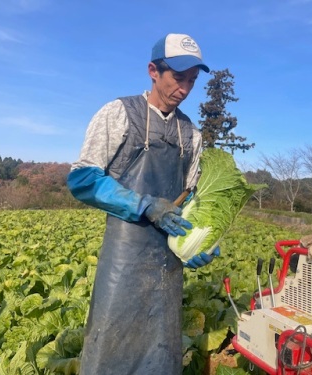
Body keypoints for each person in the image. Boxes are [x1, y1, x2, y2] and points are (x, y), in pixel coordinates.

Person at [67, 33, 219, 375]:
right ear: (153, 70)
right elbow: (82, 179)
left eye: (192, 81)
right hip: (124, 261)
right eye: (178, 78)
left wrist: (201, 242)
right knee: (110, 347)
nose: (185, 88)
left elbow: (193, 198)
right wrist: (144, 204)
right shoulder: (120, 114)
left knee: (161, 352)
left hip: (167, 265)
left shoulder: (190, 135)